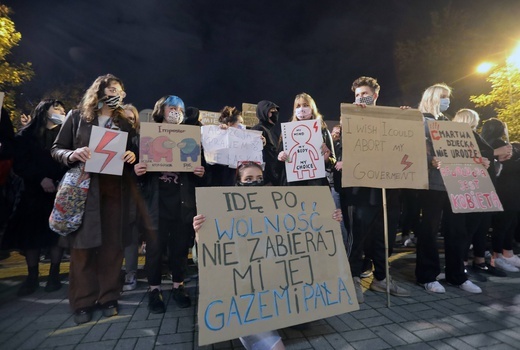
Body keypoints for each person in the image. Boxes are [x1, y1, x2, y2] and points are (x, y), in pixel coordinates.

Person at [193, 161, 343, 350]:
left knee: (303, 320)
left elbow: (305, 236)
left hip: (272, 289)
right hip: (241, 296)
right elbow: (204, 258)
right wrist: (200, 235)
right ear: (238, 183)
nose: (255, 182)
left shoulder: (276, 210)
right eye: (248, 179)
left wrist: (330, 220)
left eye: (259, 179)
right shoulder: (222, 214)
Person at [51, 74, 138, 324]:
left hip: (115, 192)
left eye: (120, 91)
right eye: (111, 89)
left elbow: (133, 150)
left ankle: (108, 297)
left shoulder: (123, 122)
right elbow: (57, 149)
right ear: (98, 91)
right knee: (82, 249)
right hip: (85, 192)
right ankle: (82, 302)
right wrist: (73, 154)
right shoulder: (77, 117)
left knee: (112, 247)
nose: (116, 94)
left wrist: (131, 156)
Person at [335, 76, 410, 303]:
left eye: (364, 94)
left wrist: (406, 119)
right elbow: (338, 153)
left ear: (375, 95)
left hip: (386, 190)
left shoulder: (391, 120)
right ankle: (354, 278)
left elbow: (405, 146)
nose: (361, 98)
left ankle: (381, 278)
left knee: (383, 237)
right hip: (358, 192)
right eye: (357, 95)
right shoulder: (347, 121)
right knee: (356, 238)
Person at [134, 95, 206, 313]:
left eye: (180, 109)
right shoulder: (145, 137)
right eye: (172, 108)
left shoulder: (191, 137)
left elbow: (201, 172)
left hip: (182, 205)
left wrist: (201, 172)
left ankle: (178, 286)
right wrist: (138, 173)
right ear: (161, 110)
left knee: (179, 250)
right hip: (156, 205)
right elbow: (137, 175)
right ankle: (154, 290)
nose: (176, 112)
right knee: (154, 251)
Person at [415, 83, 482, 294]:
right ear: (433, 97)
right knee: (429, 230)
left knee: (457, 231)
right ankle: (427, 275)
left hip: (454, 183)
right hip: (431, 185)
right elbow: (409, 150)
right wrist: (429, 160)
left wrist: (478, 160)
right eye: (443, 96)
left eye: (448, 97)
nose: (447, 101)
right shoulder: (418, 120)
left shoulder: (446, 122)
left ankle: (457, 275)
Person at [3, 100, 67, 296]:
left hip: (59, 191)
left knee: (56, 236)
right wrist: (40, 179)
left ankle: (54, 274)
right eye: (57, 108)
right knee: (31, 237)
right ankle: (32, 277)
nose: (61, 112)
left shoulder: (65, 136)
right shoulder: (26, 136)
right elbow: (20, 163)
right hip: (33, 193)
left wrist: (58, 180)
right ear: (44, 111)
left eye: (63, 110)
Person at [451, 109, 506, 280]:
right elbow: (463, 154)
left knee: (481, 225)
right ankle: (462, 263)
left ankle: (479, 261)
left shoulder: (474, 134)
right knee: (469, 227)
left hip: (483, 184)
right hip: (469, 186)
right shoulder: (458, 135)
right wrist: (494, 153)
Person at [481, 118, 520, 272]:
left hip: (507, 190)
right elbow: (507, 167)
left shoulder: (489, 143)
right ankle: (498, 256)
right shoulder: (497, 145)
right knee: (503, 224)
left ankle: (507, 253)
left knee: (509, 223)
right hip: (505, 191)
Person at [277, 92, 335, 186]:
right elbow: (278, 165)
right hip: (293, 185)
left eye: (305, 105)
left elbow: (333, 161)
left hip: (316, 184)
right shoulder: (287, 132)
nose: (301, 109)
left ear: (312, 108)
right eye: (298, 106)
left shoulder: (322, 130)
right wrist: (280, 156)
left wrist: (326, 159)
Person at [121, 103, 141, 291]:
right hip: (112, 191)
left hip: (133, 192)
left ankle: (131, 272)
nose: (129, 122)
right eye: (125, 118)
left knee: (131, 233)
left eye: (132, 118)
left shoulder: (140, 139)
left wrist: (135, 158)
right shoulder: (111, 137)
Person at [252, 100, 280, 185]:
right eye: (272, 111)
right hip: (265, 179)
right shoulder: (258, 129)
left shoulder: (273, 132)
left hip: (274, 177)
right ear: (264, 112)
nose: (275, 114)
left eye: (276, 111)